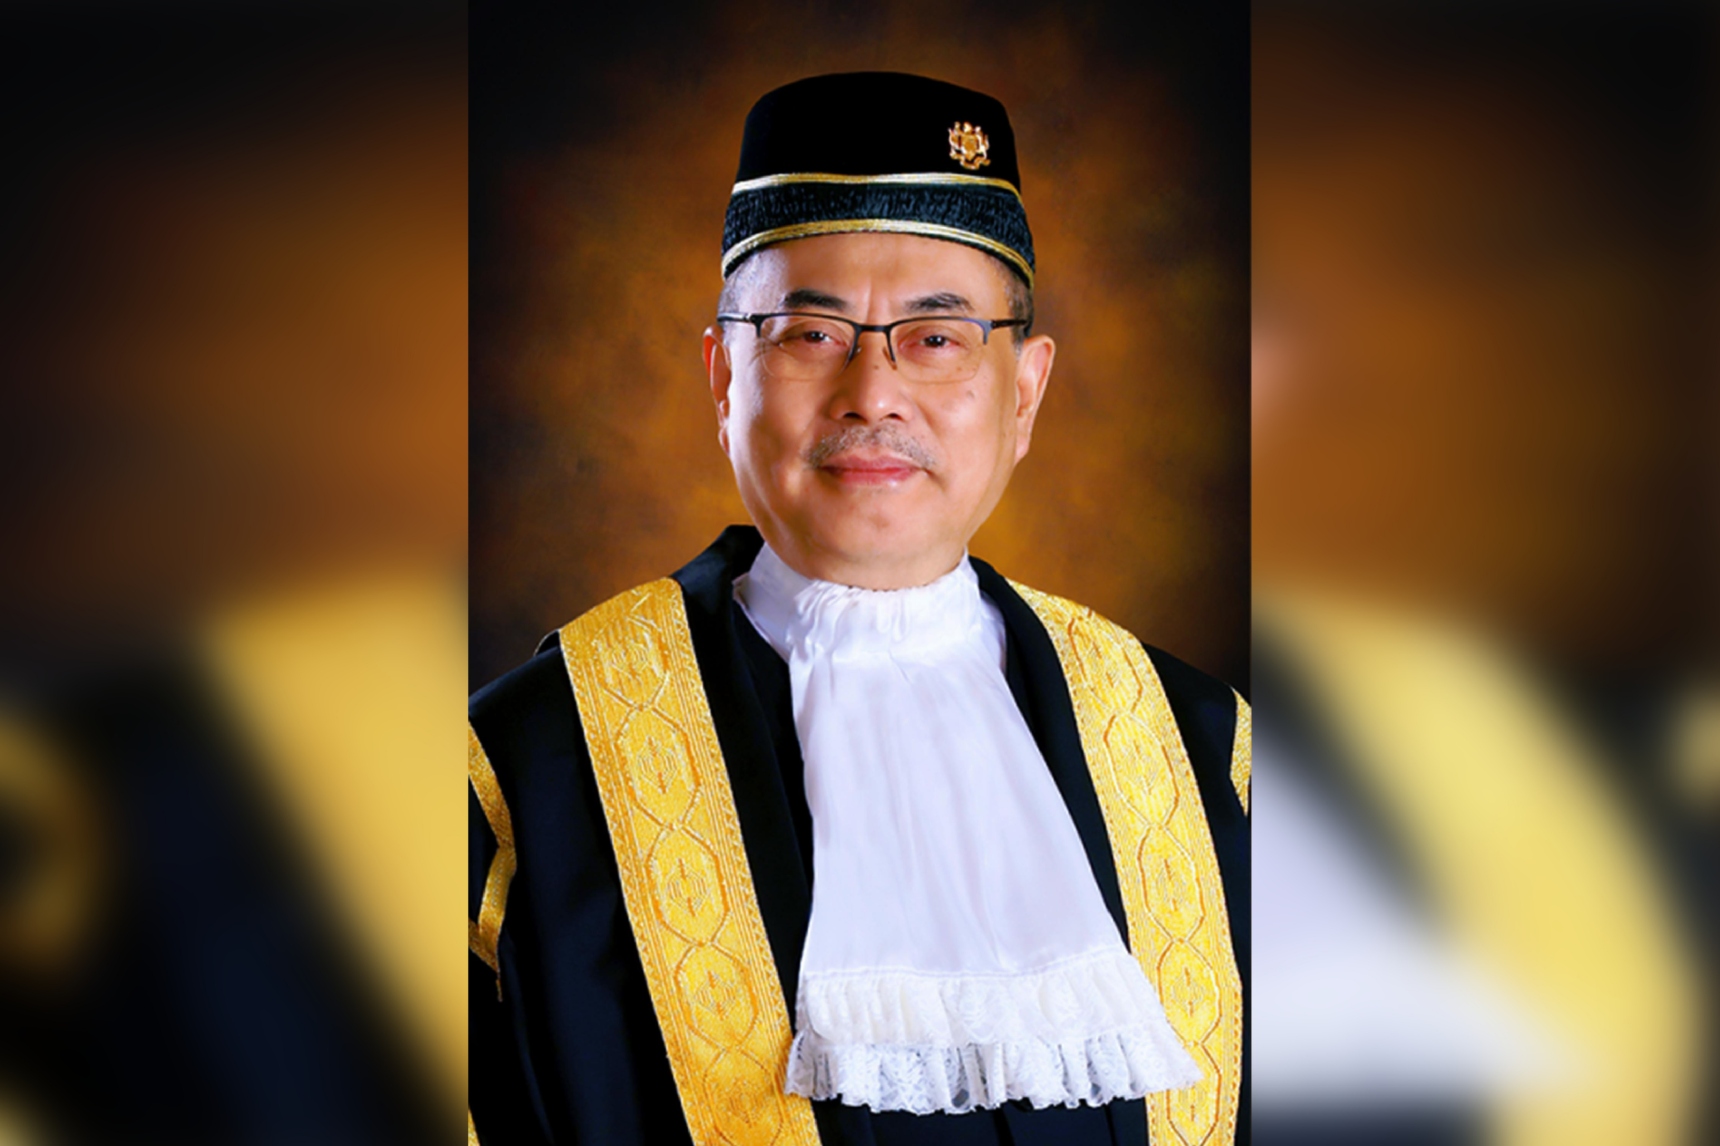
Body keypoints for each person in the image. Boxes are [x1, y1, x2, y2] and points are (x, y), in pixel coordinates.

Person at [468, 72, 1249, 1146]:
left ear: (1024, 392)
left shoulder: (1203, 754)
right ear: (723, 378)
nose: (873, 394)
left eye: (936, 338)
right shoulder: (524, 776)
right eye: (810, 334)